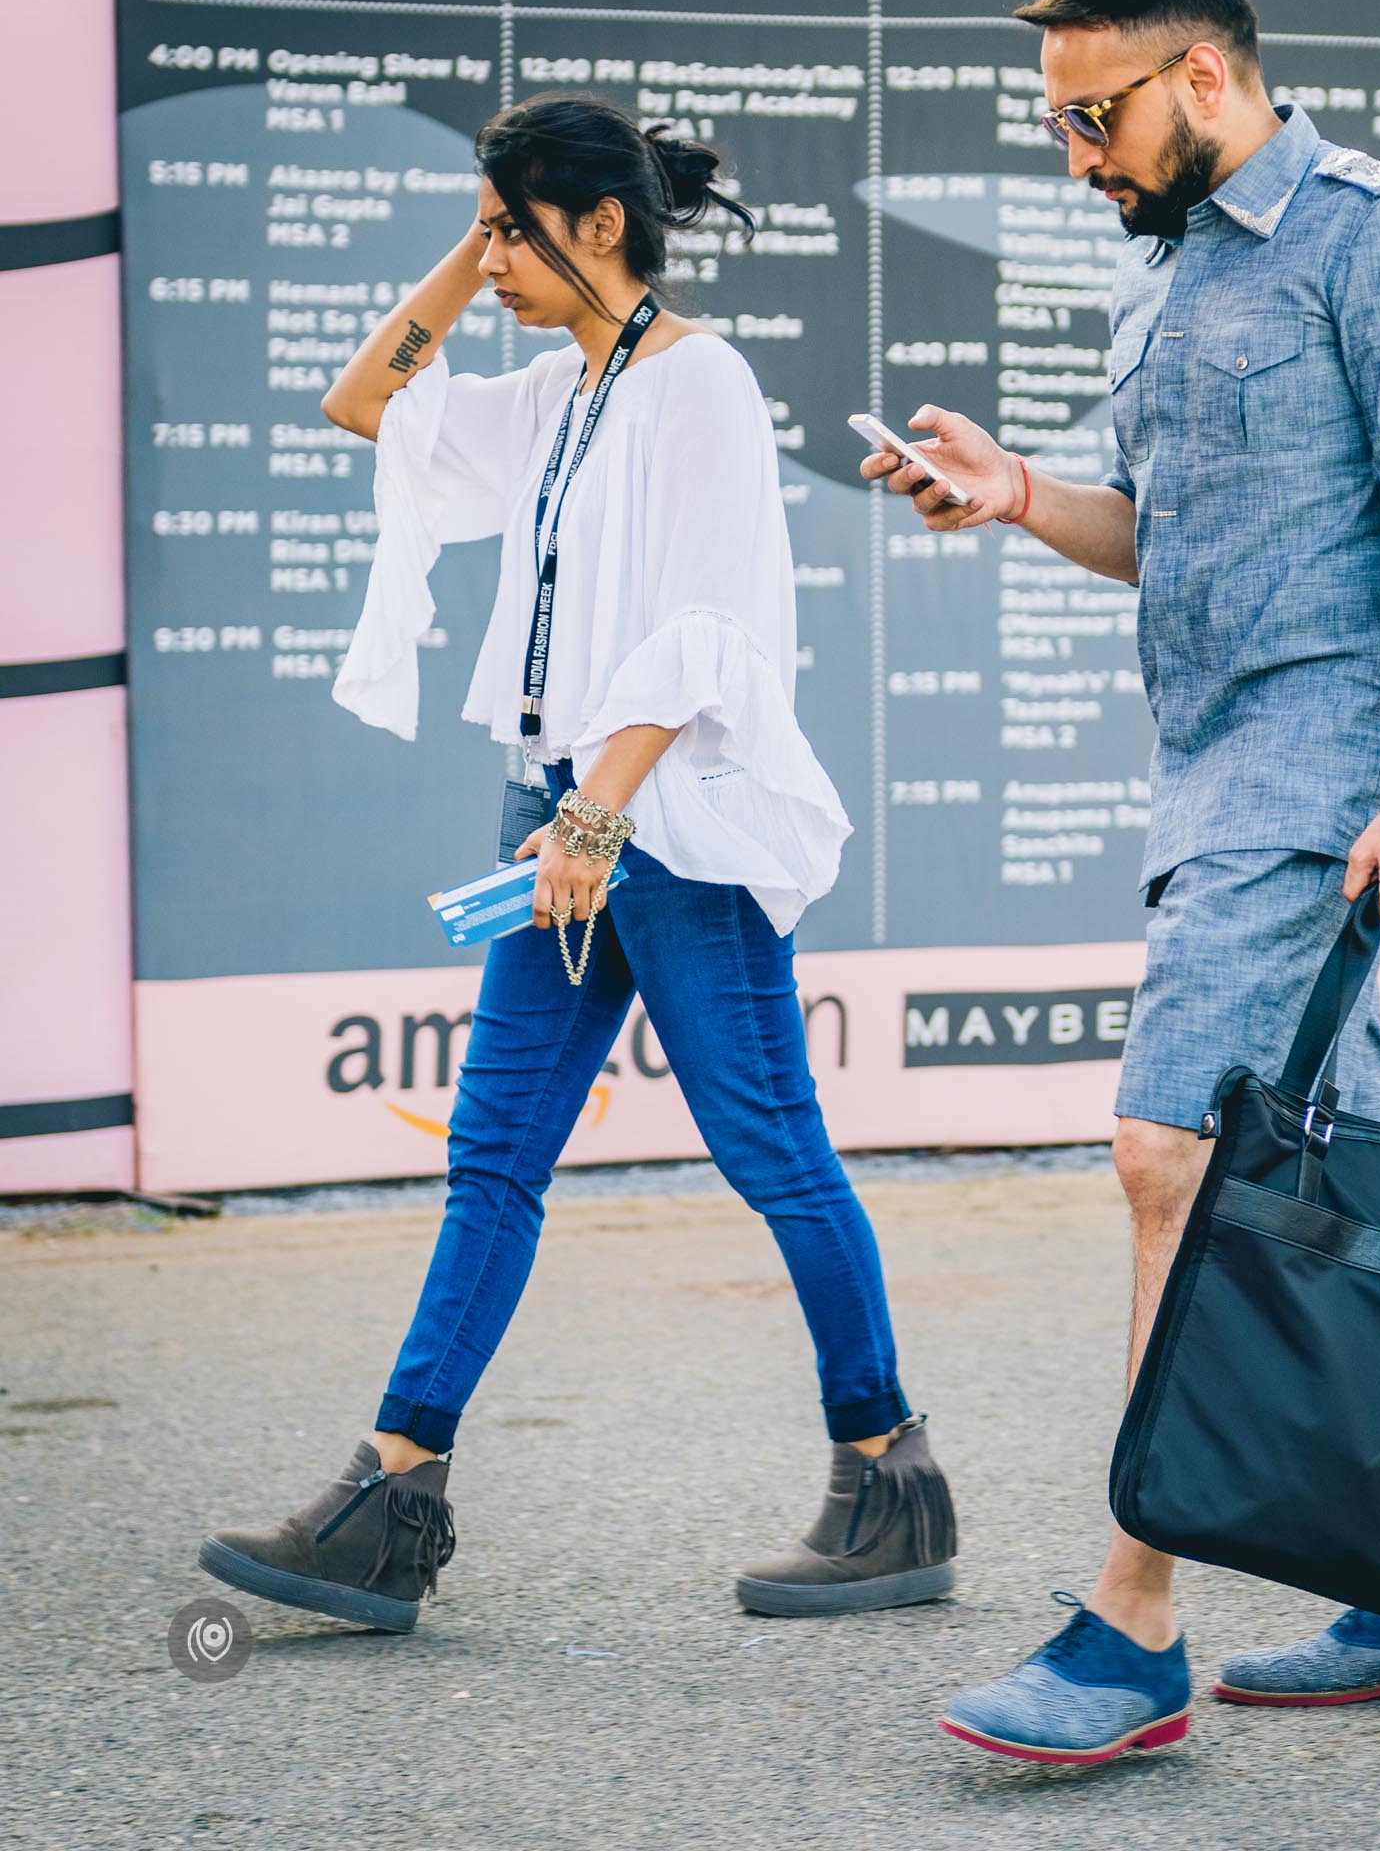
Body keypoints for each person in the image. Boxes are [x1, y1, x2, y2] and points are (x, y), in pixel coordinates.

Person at [861, 0, 1380, 1764]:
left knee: (1181, 1161)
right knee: (1318, 1205)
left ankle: (1128, 1632)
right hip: (1213, 778)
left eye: (1091, 117)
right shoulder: (1164, 276)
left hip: (1325, 776)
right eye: (1060, 123)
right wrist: (1014, 497)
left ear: (1203, 78)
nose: (1075, 154)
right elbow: (1171, 530)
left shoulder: (1377, 236)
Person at [197, 93, 955, 1633]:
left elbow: (710, 628)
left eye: (513, 229)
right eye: (482, 231)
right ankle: (391, 1498)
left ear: (600, 224)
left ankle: (889, 1478)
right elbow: (364, 406)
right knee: (494, 1159)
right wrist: (473, 246)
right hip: (554, 818)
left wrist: (600, 819)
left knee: (767, 1147)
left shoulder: (704, 386)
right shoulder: (555, 389)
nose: (491, 263)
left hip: (662, 827)